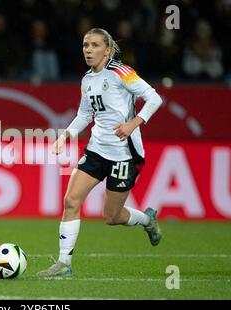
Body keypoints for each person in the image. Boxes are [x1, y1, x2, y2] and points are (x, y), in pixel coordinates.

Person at [37, 28, 163, 277]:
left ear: (107, 50)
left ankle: (148, 221)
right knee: (71, 201)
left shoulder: (121, 72)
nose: (88, 50)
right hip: (96, 150)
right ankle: (64, 264)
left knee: (112, 216)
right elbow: (85, 114)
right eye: (85, 45)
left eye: (95, 45)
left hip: (124, 155)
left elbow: (154, 98)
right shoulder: (87, 79)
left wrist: (133, 123)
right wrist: (66, 135)